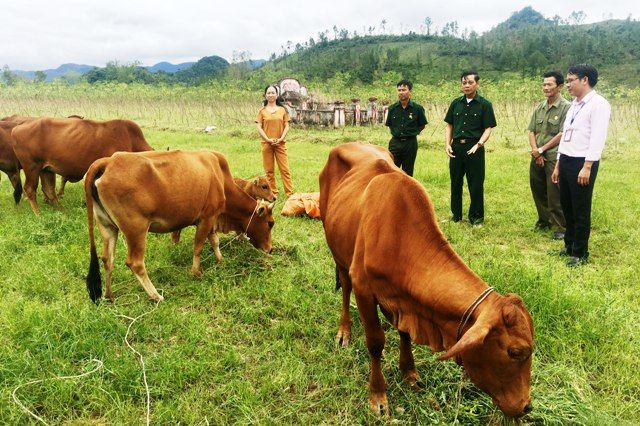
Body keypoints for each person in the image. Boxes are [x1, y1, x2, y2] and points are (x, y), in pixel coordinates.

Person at [551, 64, 611, 266]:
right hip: (567, 158)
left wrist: (587, 166)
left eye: (570, 80)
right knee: (567, 206)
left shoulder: (598, 104)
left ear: (584, 80)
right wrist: (559, 163)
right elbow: (566, 137)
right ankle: (569, 245)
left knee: (580, 208)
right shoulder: (574, 105)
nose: (567, 84)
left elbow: (597, 138)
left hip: (582, 162)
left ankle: (580, 253)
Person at [444, 70, 496, 226]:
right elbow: (449, 125)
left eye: (470, 82)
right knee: (456, 182)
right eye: (464, 83)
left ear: (477, 84)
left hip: (474, 148)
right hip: (456, 148)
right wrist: (447, 144)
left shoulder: (484, 104)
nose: (466, 85)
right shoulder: (456, 103)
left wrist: (479, 144)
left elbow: (488, 128)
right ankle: (456, 216)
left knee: (476, 183)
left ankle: (476, 218)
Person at [527, 70, 570, 240]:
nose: (545, 87)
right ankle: (544, 220)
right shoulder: (540, 107)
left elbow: (562, 134)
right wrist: (535, 151)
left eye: (549, 84)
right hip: (537, 154)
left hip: (553, 156)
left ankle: (560, 226)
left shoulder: (567, 107)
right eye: (544, 84)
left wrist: (542, 150)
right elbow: (531, 130)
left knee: (554, 193)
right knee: (537, 189)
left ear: (559, 87)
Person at [256, 85, 294, 198]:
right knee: (269, 171)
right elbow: (259, 127)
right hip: (266, 144)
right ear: (265, 95)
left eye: (273, 92)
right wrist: (267, 139)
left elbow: (287, 125)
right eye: (269, 93)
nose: (271, 95)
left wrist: (281, 138)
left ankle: (290, 193)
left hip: (280, 144)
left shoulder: (282, 110)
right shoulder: (261, 111)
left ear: (276, 95)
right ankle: (273, 192)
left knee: (285, 169)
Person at [384, 79, 428, 177]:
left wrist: (411, 132)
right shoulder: (392, 108)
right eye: (399, 90)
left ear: (410, 91)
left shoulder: (417, 109)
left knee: (407, 172)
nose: (401, 92)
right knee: (391, 170)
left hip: (410, 143)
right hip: (395, 143)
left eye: (404, 90)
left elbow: (422, 125)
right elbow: (389, 124)